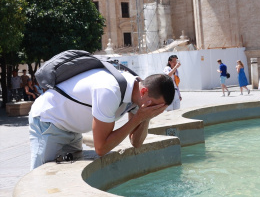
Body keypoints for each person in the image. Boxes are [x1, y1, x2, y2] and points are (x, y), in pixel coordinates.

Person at [29, 70, 175, 170]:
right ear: (144, 91)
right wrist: (138, 118)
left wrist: (146, 117)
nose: (155, 111)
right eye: (155, 106)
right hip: (49, 121)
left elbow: (136, 142)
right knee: (43, 180)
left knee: (64, 178)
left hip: (71, 129)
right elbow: (101, 148)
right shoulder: (109, 91)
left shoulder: (137, 96)